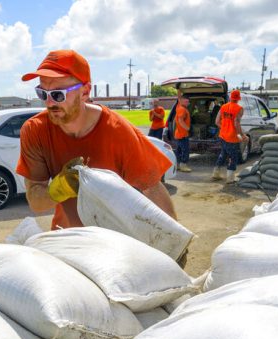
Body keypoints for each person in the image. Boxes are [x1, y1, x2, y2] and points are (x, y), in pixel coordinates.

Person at [16, 49, 177, 231]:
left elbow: (151, 187)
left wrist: (176, 241)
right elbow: (36, 202)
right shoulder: (35, 130)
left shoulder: (117, 131)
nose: (50, 103)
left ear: (85, 92)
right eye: (42, 93)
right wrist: (59, 188)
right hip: (68, 238)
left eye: (58, 94)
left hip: (116, 241)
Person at [213, 89, 245, 183]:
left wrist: (224, 128)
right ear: (238, 98)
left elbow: (217, 122)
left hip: (222, 136)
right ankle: (230, 178)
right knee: (233, 157)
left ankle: (216, 173)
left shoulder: (223, 107)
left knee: (223, 154)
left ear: (231, 97)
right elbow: (236, 124)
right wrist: (242, 135)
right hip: (232, 138)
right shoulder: (239, 109)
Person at [173, 95, 191, 172]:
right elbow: (180, 120)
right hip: (183, 134)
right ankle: (183, 165)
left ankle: (178, 165)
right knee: (185, 150)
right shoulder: (182, 109)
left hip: (178, 134)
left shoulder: (178, 107)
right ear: (182, 101)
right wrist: (188, 128)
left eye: (188, 101)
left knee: (178, 151)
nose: (187, 103)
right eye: (186, 101)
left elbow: (179, 97)